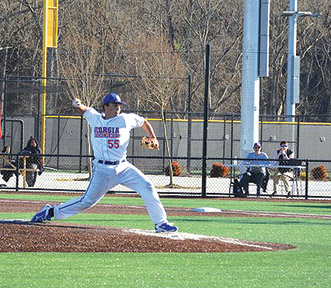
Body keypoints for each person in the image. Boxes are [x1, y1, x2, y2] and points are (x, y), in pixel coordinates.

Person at [31, 93, 178, 233]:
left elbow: (143, 122)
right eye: (115, 105)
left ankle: (161, 223)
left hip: (123, 167)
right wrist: (78, 104)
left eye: (119, 105)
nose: (118, 108)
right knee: (87, 201)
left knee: (147, 187)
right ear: (106, 107)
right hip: (102, 169)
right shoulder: (95, 117)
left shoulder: (125, 119)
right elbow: (84, 109)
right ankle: (50, 211)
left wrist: (153, 137)